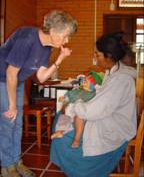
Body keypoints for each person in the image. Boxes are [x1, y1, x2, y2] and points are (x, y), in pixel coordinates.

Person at [0, 10, 77, 177]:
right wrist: (12, 105)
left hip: (16, 81)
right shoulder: (27, 38)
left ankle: (16, 162)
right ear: (54, 30)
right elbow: (10, 72)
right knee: (8, 122)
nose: (67, 40)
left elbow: (41, 77)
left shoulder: (47, 47)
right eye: (65, 36)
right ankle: (6, 167)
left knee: (17, 123)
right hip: (2, 79)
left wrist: (60, 59)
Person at [50, 32, 137, 177]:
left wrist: (75, 105)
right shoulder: (114, 72)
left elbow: (95, 110)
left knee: (62, 136)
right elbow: (104, 101)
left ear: (108, 56)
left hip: (114, 129)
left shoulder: (120, 79)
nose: (96, 59)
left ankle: (82, 170)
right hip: (109, 117)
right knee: (66, 116)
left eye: (97, 55)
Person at [51, 71, 104, 148]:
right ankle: (60, 131)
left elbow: (95, 104)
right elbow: (69, 96)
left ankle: (77, 139)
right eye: (84, 80)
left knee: (79, 118)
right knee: (63, 117)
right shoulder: (76, 90)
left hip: (81, 113)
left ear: (94, 85)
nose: (84, 81)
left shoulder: (93, 94)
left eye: (87, 81)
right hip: (71, 111)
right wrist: (64, 98)